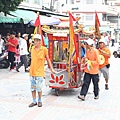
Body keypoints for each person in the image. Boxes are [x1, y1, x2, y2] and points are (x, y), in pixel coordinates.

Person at [29, 34, 56, 107]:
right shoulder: (32, 49)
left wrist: (52, 69)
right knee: (32, 88)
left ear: (39, 41)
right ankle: (34, 101)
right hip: (32, 72)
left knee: (39, 88)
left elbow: (48, 59)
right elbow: (32, 60)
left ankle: (40, 100)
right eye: (34, 40)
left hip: (39, 72)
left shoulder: (44, 49)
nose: (34, 42)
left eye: (36, 41)